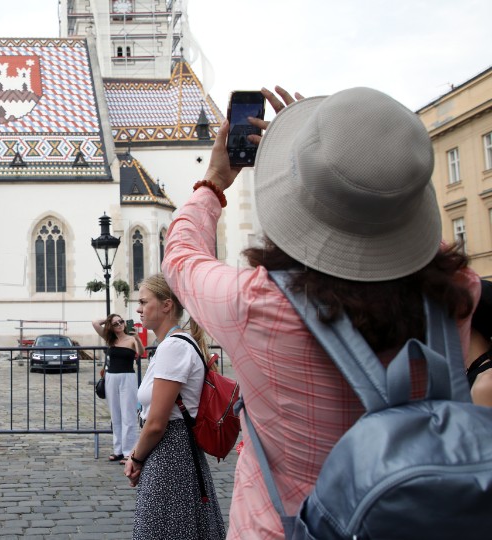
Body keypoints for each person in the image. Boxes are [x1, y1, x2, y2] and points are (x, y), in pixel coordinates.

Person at [162, 86, 480, 539]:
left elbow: (180, 257)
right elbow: (426, 248)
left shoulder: (257, 305)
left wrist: (214, 180)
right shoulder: (457, 291)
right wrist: (348, 161)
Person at [124, 273, 226, 540]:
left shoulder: (173, 347)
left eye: (144, 301)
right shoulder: (175, 344)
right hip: (172, 454)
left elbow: (157, 423)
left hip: (170, 457)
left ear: (166, 305)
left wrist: (136, 458)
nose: (138, 308)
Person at [92, 314, 144, 463]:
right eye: (116, 323)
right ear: (111, 326)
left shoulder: (131, 339)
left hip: (127, 377)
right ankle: (118, 450)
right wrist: (108, 319)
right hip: (111, 378)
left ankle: (129, 451)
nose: (120, 324)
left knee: (128, 414)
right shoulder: (110, 339)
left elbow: (141, 352)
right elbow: (95, 322)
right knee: (115, 415)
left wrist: (138, 338)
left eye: (121, 321)